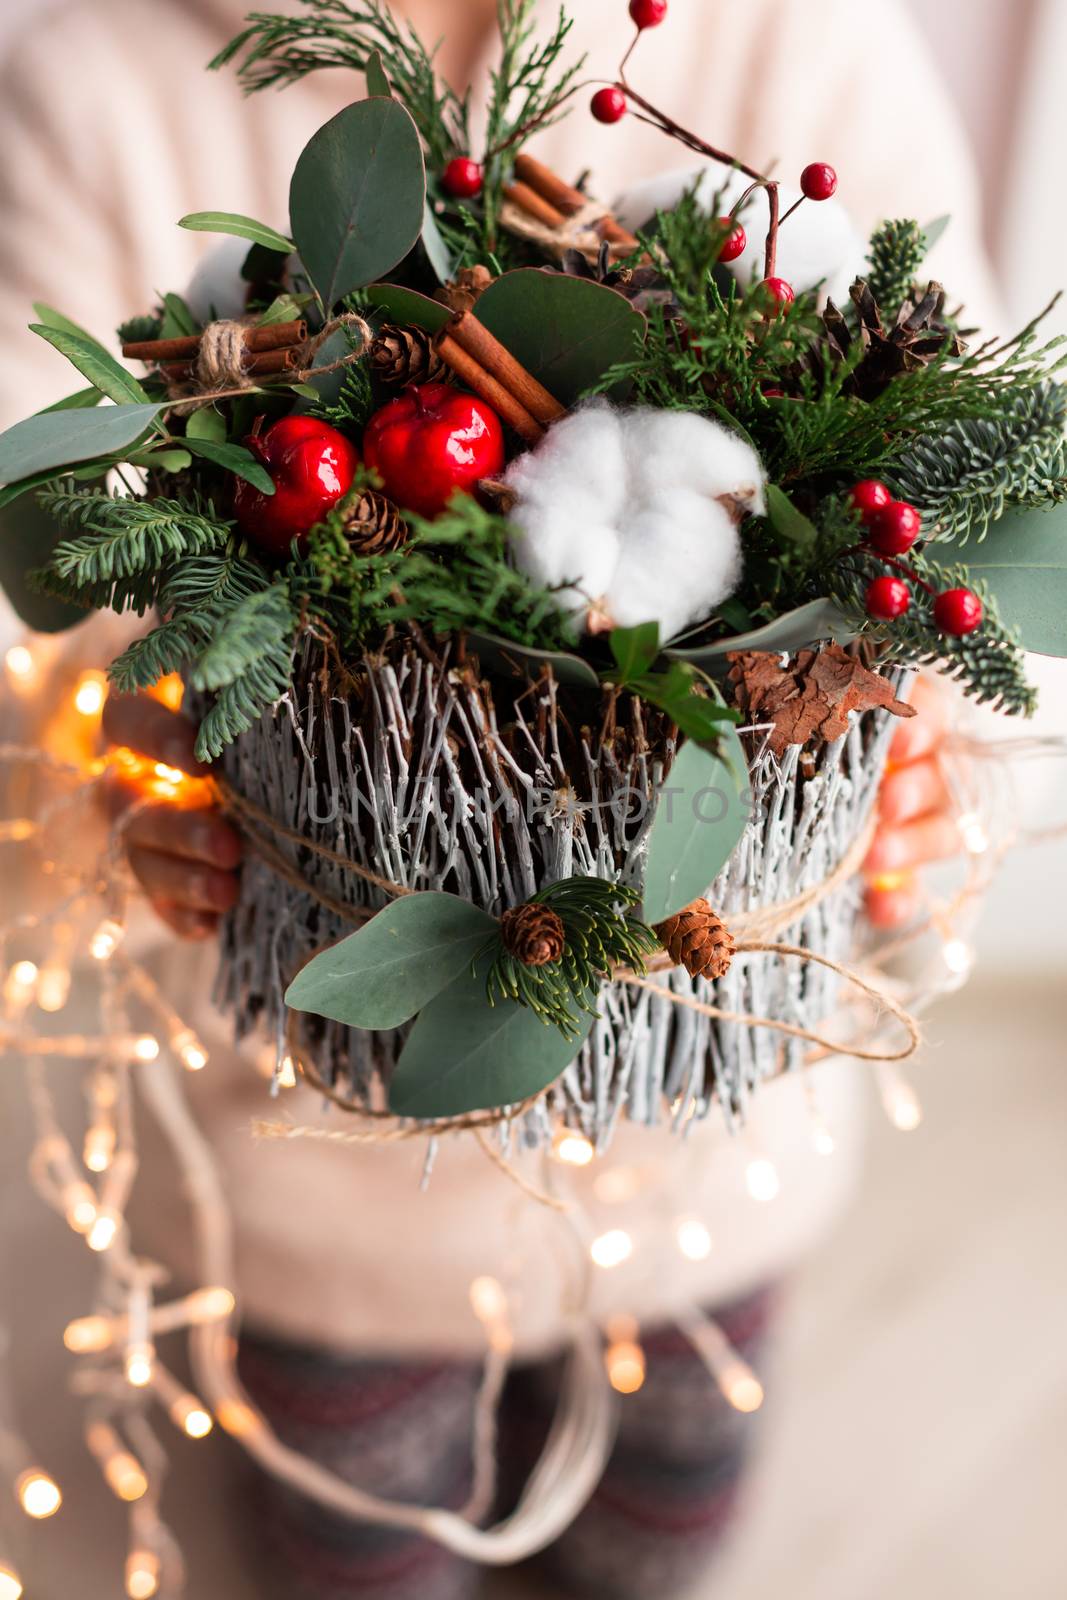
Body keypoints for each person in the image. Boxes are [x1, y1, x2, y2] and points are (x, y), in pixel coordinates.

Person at [0, 1, 989, 1595]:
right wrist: (97, 761)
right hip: (320, 1189)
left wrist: (931, 739)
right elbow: (28, 549)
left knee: (666, 1543)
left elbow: (975, 463)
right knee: (359, 1547)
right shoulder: (98, 84)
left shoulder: (787, 37)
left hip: (708, 1153)